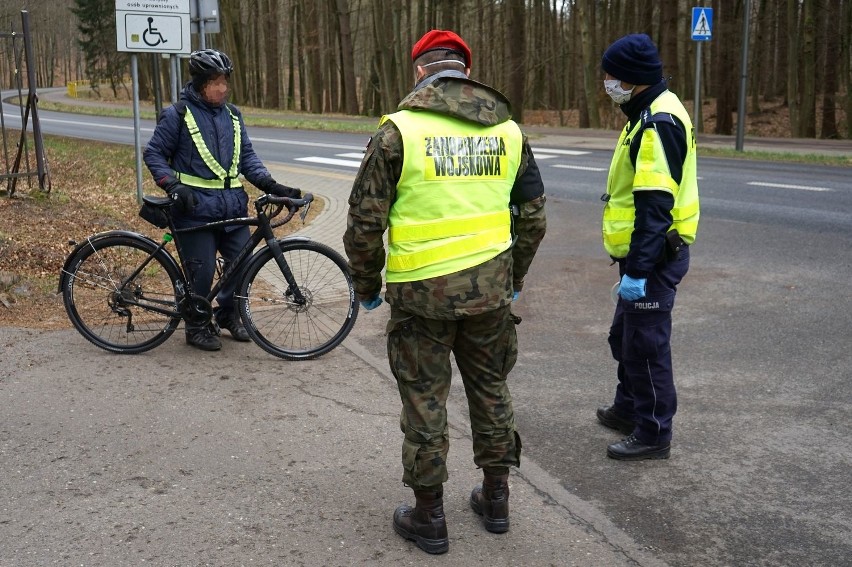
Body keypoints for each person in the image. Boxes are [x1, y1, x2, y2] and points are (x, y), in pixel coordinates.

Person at [343, 29, 546, 554]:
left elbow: (364, 222)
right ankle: (497, 498)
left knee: (424, 401)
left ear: (420, 72)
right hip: (490, 297)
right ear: (465, 70)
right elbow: (533, 217)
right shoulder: (508, 132)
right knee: (491, 390)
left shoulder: (399, 132)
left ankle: (429, 516)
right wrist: (514, 276)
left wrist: (366, 285)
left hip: (420, 298)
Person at [144, 49, 300, 352]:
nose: (223, 88)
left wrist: (272, 185)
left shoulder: (233, 115)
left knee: (241, 266)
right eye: (216, 82)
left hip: (232, 207)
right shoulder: (177, 114)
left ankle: (228, 314)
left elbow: (247, 158)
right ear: (201, 83)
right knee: (200, 275)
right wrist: (173, 185)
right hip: (194, 210)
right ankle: (197, 326)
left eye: (225, 81)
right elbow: (154, 154)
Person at [597, 34, 700, 460]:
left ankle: (654, 432)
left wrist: (638, 271)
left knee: (647, 345)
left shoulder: (657, 123)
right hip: (643, 254)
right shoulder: (647, 111)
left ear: (632, 79)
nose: (606, 82)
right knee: (625, 337)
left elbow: (655, 207)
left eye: (611, 75)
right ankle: (628, 408)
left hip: (654, 256)